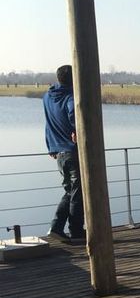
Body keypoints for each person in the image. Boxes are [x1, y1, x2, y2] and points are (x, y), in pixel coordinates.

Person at [44, 64, 85, 243]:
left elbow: (48, 123)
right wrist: (78, 129)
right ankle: (75, 231)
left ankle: (57, 228)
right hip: (73, 151)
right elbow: (74, 115)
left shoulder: (47, 96)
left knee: (71, 191)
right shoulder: (71, 97)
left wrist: (51, 146)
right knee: (77, 192)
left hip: (59, 153)